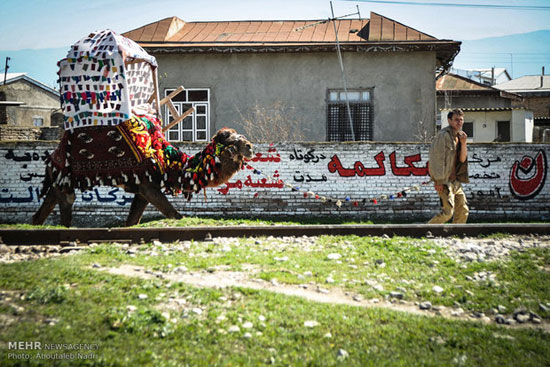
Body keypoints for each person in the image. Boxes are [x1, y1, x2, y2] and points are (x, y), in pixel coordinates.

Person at [428, 109, 470, 224]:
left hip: (456, 181)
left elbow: (462, 159)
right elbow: (436, 159)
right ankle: (425, 230)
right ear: (449, 120)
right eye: (456, 119)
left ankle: (456, 233)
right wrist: (439, 180)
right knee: (447, 212)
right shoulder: (443, 136)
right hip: (445, 181)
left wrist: (464, 143)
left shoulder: (460, 137)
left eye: (461, 120)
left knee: (463, 210)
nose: (459, 122)